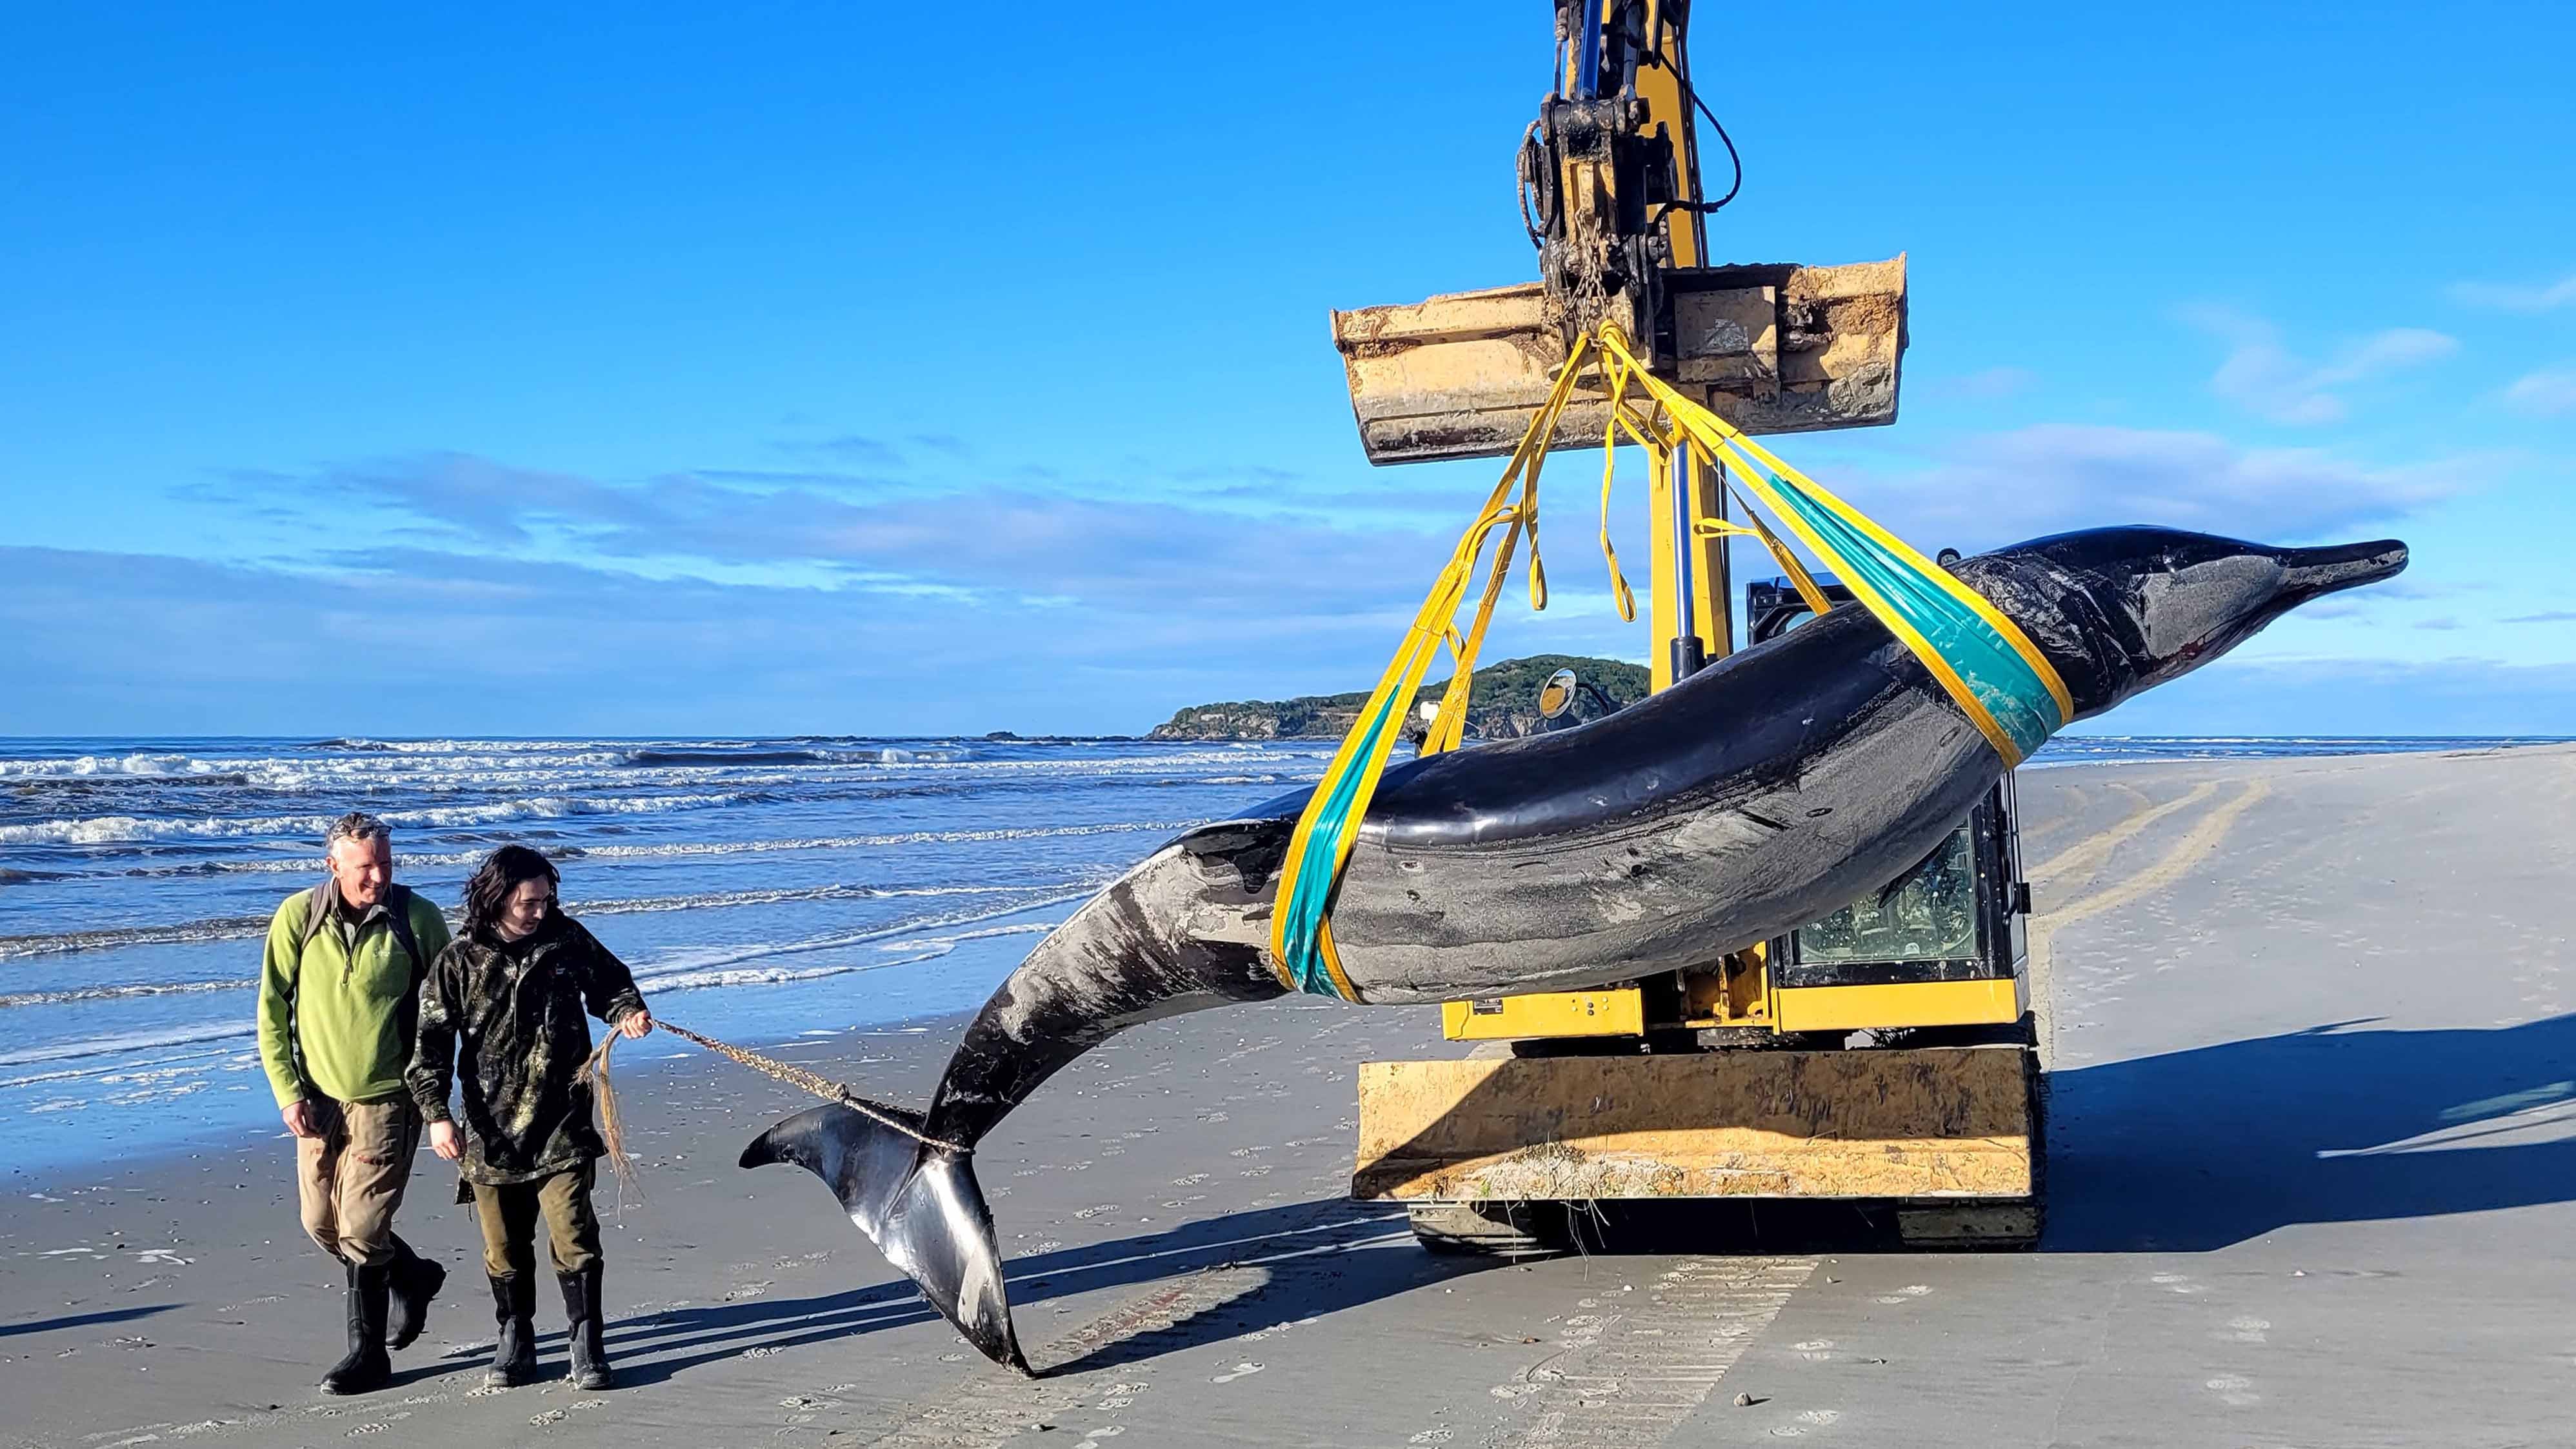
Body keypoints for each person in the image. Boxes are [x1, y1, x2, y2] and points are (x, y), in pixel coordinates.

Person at [408, 845, 652, 1392]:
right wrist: (437, 1116)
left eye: (546, 900)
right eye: (529, 903)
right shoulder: (458, 960)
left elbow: (611, 984)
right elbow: (429, 1047)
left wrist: (627, 1012)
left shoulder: (566, 941)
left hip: (564, 1120)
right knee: (504, 1247)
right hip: (490, 1130)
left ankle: (587, 1344)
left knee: (574, 1233)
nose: (540, 911)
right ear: (497, 898)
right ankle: (515, 1338)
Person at [255, 810, 454, 1395]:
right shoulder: (298, 916)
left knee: (362, 1229)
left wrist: (438, 1102)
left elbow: (450, 1009)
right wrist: (288, 1091)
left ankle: (368, 1356)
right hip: (317, 1100)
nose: (378, 876)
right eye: (365, 866)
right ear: (333, 865)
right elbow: (272, 1009)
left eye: (385, 863)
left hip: (388, 1099)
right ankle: (413, 1276)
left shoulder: (417, 918)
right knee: (321, 1224)